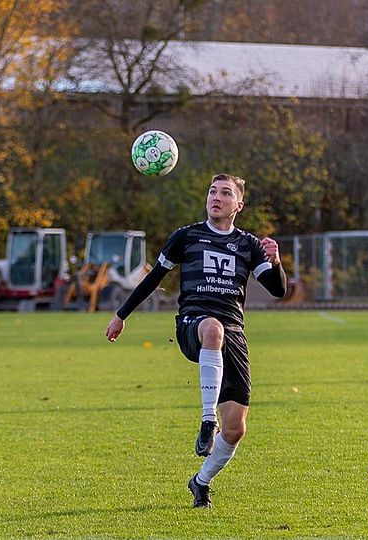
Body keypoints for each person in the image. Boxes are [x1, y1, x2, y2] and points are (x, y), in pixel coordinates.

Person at [104, 173, 286, 509]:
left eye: (226, 193)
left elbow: (278, 290)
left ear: (239, 205)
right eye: (213, 191)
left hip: (234, 335)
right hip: (194, 324)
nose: (216, 197)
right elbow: (153, 279)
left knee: (235, 429)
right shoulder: (186, 237)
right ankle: (207, 420)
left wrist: (275, 262)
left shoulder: (248, 245)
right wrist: (121, 315)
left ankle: (201, 482)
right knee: (213, 329)